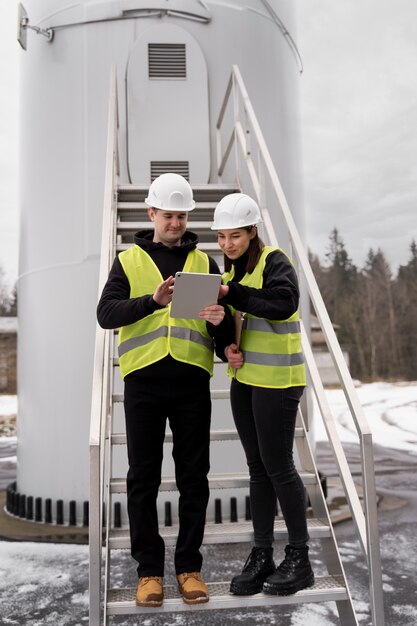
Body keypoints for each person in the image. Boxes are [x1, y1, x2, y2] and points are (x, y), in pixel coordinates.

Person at [97, 173, 231, 608]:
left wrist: (220, 323)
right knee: (143, 479)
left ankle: (189, 568)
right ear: (151, 213)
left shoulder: (205, 263)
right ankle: (149, 572)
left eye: (182, 215)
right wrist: (151, 302)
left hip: (192, 381)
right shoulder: (129, 261)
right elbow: (106, 313)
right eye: (168, 214)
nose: (175, 222)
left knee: (194, 479)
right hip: (144, 385)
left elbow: (224, 323)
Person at [212, 192, 314, 596]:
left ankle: (300, 557)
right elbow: (237, 323)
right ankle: (261, 554)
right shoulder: (231, 272)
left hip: (279, 382)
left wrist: (231, 295)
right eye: (221, 237)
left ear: (253, 232)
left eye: (235, 236)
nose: (227, 245)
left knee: (279, 466)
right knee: (258, 468)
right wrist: (225, 346)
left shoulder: (274, 261)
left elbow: (285, 304)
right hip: (246, 380)